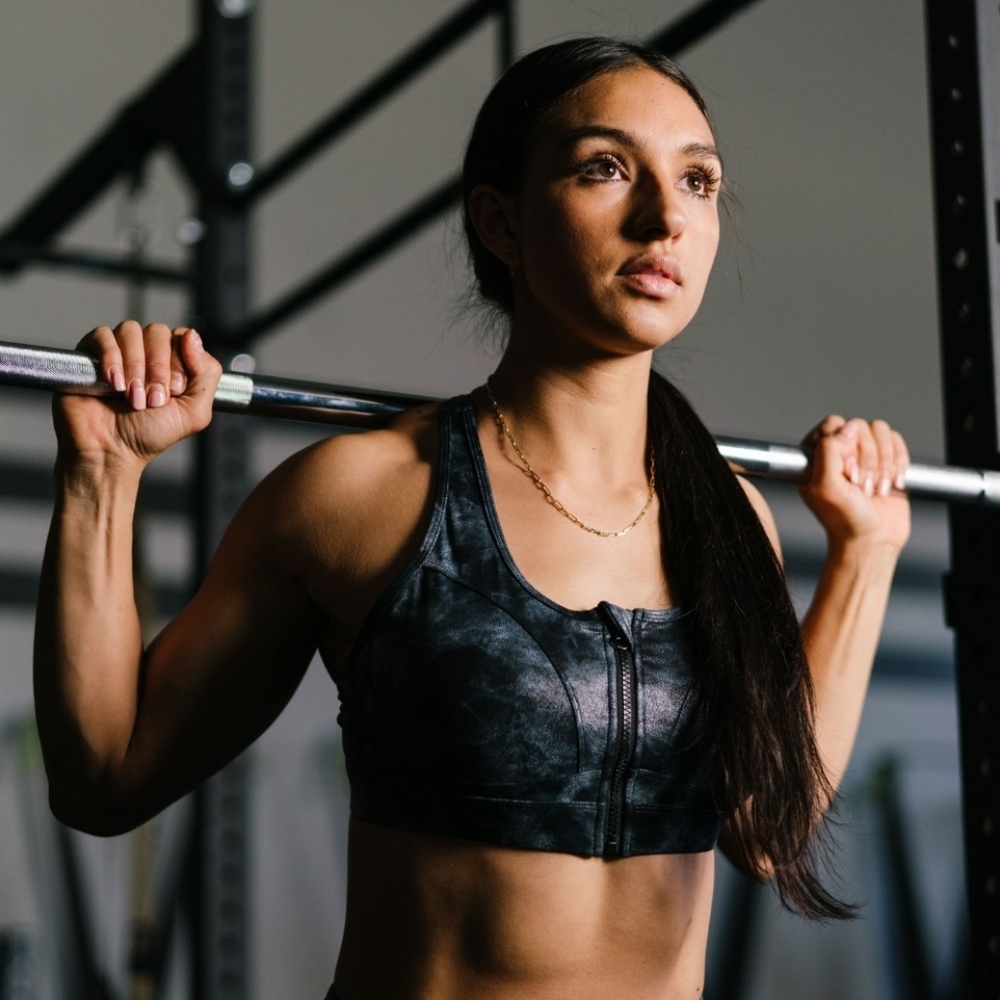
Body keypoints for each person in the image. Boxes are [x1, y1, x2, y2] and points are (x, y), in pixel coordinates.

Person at [34, 37, 910, 1000]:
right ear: (499, 222)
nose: (665, 218)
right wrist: (103, 472)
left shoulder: (729, 519)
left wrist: (866, 554)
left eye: (698, 181)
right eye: (605, 169)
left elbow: (767, 830)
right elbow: (105, 780)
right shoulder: (365, 495)